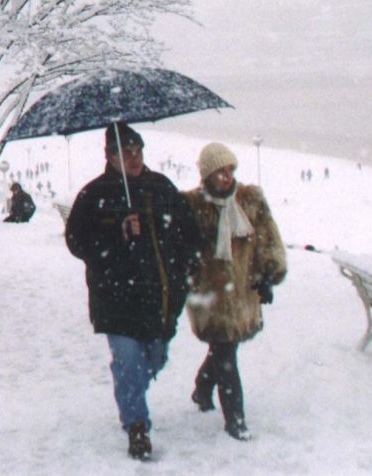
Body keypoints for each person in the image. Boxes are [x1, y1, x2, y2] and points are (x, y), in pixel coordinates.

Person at [65, 122, 201, 460]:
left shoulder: (161, 187)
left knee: (154, 358)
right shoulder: (93, 195)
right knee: (129, 361)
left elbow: (188, 231)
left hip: (160, 298)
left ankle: (129, 385)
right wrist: (117, 233)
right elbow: (76, 241)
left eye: (137, 150)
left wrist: (189, 265)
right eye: (126, 153)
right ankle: (136, 425)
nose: (135, 157)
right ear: (110, 157)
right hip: (116, 300)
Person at [184, 143, 287, 441]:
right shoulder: (193, 206)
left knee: (224, 346)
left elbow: (268, 239)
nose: (226, 177)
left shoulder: (250, 200)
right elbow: (182, 246)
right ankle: (235, 419)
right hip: (210, 295)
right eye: (219, 172)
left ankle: (202, 388)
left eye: (230, 170)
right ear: (207, 176)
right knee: (225, 352)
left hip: (243, 291)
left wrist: (268, 276)